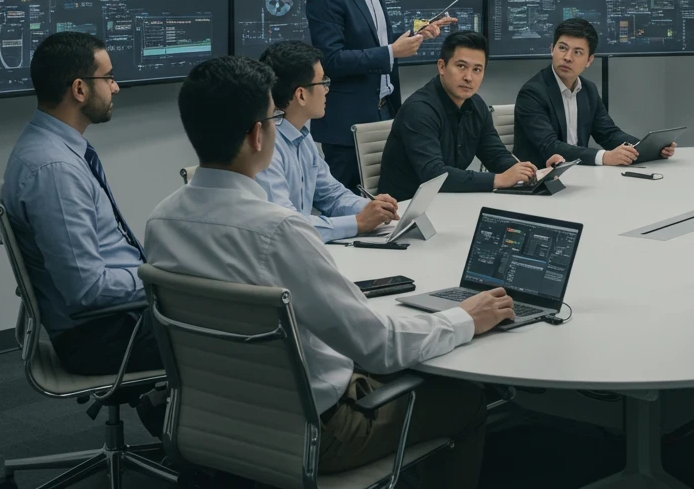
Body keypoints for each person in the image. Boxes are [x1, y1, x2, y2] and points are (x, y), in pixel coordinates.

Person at [146, 56, 514, 482]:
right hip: (316, 432)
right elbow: (378, 345)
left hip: (211, 419)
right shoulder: (280, 231)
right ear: (257, 134)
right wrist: (465, 317)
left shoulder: (161, 220)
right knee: (466, 401)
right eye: (273, 115)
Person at [2, 31, 158, 376]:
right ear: (79, 89)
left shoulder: (54, 149)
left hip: (119, 319)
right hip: (103, 336)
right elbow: (87, 290)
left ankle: (166, 408)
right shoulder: (55, 170)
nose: (116, 88)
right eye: (109, 78)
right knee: (244, 329)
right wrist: (164, 279)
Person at [306, 0, 455, 193]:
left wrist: (416, 35)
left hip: (383, 112)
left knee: (384, 201)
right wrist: (391, 52)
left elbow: (372, 43)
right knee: (347, 209)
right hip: (347, 124)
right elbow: (331, 61)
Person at [255, 41, 400, 242]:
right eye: (322, 82)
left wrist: (370, 208)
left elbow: (332, 196)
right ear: (301, 95)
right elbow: (286, 226)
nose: (327, 90)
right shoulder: (265, 147)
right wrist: (357, 223)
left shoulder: (302, 136)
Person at [377, 31, 543, 197]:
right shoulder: (418, 110)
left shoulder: (477, 105)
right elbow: (434, 175)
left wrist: (523, 172)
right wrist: (498, 179)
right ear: (442, 66)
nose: (468, 77)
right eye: (461, 66)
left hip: (449, 200)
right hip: (404, 209)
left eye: (477, 69)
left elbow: (495, 155)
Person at [513, 18, 675, 167]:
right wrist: (604, 157)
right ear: (552, 50)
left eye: (577, 52)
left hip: (580, 175)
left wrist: (649, 148)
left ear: (589, 60)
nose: (567, 57)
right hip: (541, 179)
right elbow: (550, 147)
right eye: (562, 48)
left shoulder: (588, 89)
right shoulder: (532, 93)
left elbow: (608, 134)